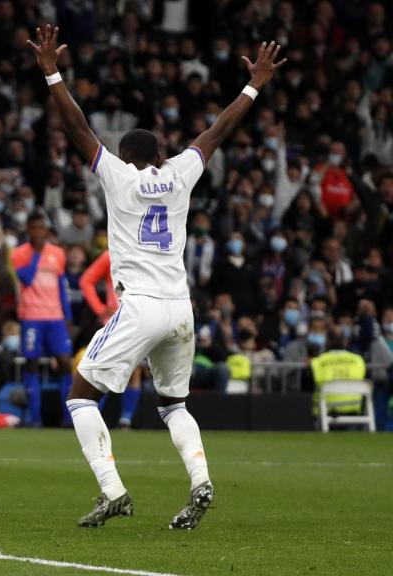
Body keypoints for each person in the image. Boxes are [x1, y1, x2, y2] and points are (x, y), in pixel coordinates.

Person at [29, 25, 285, 528]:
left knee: (80, 395)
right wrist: (254, 84)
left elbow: (79, 130)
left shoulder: (117, 175)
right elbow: (216, 132)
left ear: (125, 158)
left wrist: (52, 72)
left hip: (140, 304)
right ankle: (200, 480)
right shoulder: (182, 172)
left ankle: (112, 491)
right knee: (173, 405)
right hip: (180, 307)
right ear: (161, 157)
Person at [12, 211, 72, 427]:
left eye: (41, 228)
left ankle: (68, 418)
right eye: (34, 228)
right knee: (32, 364)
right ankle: (35, 418)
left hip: (55, 317)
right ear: (28, 230)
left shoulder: (58, 253)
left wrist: (68, 317)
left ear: (46, 230)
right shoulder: (19, 254)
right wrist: (36, 253)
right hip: (31, 316)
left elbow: (62, 288)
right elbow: (26, 279)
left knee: (66, 363)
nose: (38, 232)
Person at [79, 250, 142, 428]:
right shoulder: (111, 254)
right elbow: (86, 281)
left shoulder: (144, 251)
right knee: (102, 370)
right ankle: (95, 417)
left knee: (133, 371)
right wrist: (99, 309)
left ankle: (126, 419)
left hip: (137, 321)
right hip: (114, 322)